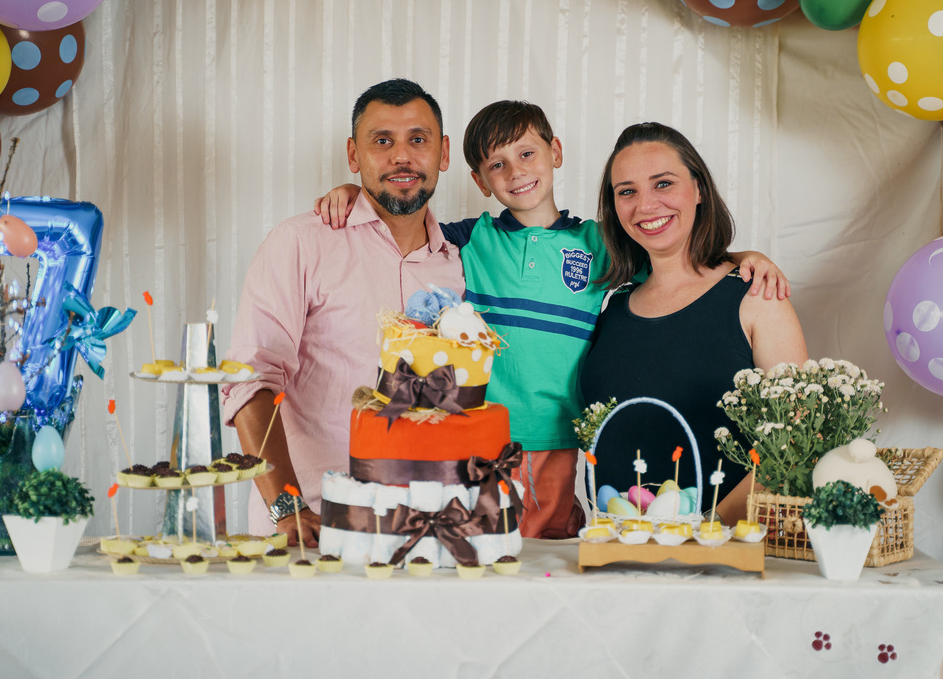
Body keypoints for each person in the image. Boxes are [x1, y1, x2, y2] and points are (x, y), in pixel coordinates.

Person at [316, 102, 791, 538]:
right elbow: (400, 221)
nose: (516, 171)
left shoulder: (599, 243)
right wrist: (356, 193)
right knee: (479, 543)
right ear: (480, 182)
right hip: (479, 437)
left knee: (548, 543)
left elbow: (678, 260)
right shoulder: (470, 238)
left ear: (555, 152)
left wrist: (744, 257)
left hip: (559, 441)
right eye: (497, 165)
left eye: (527, 154)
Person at [221, 78, 464, 546]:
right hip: (313, 529)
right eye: (382, 141)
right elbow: (249, 380)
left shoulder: (457, 262)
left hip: (425, 533)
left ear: (444, 153)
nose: (402, 156)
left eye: (418, 139)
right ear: (354, 155)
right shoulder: (301, 243)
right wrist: (288, 506)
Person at [579, 122, 808, 527]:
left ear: (699, 189)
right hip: (614, 547)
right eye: (627, 191)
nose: (645, 205)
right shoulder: (610, 306)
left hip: (721, 548)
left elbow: (798, 441)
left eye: (663, 184)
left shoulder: (757, 297)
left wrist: (707, 529)